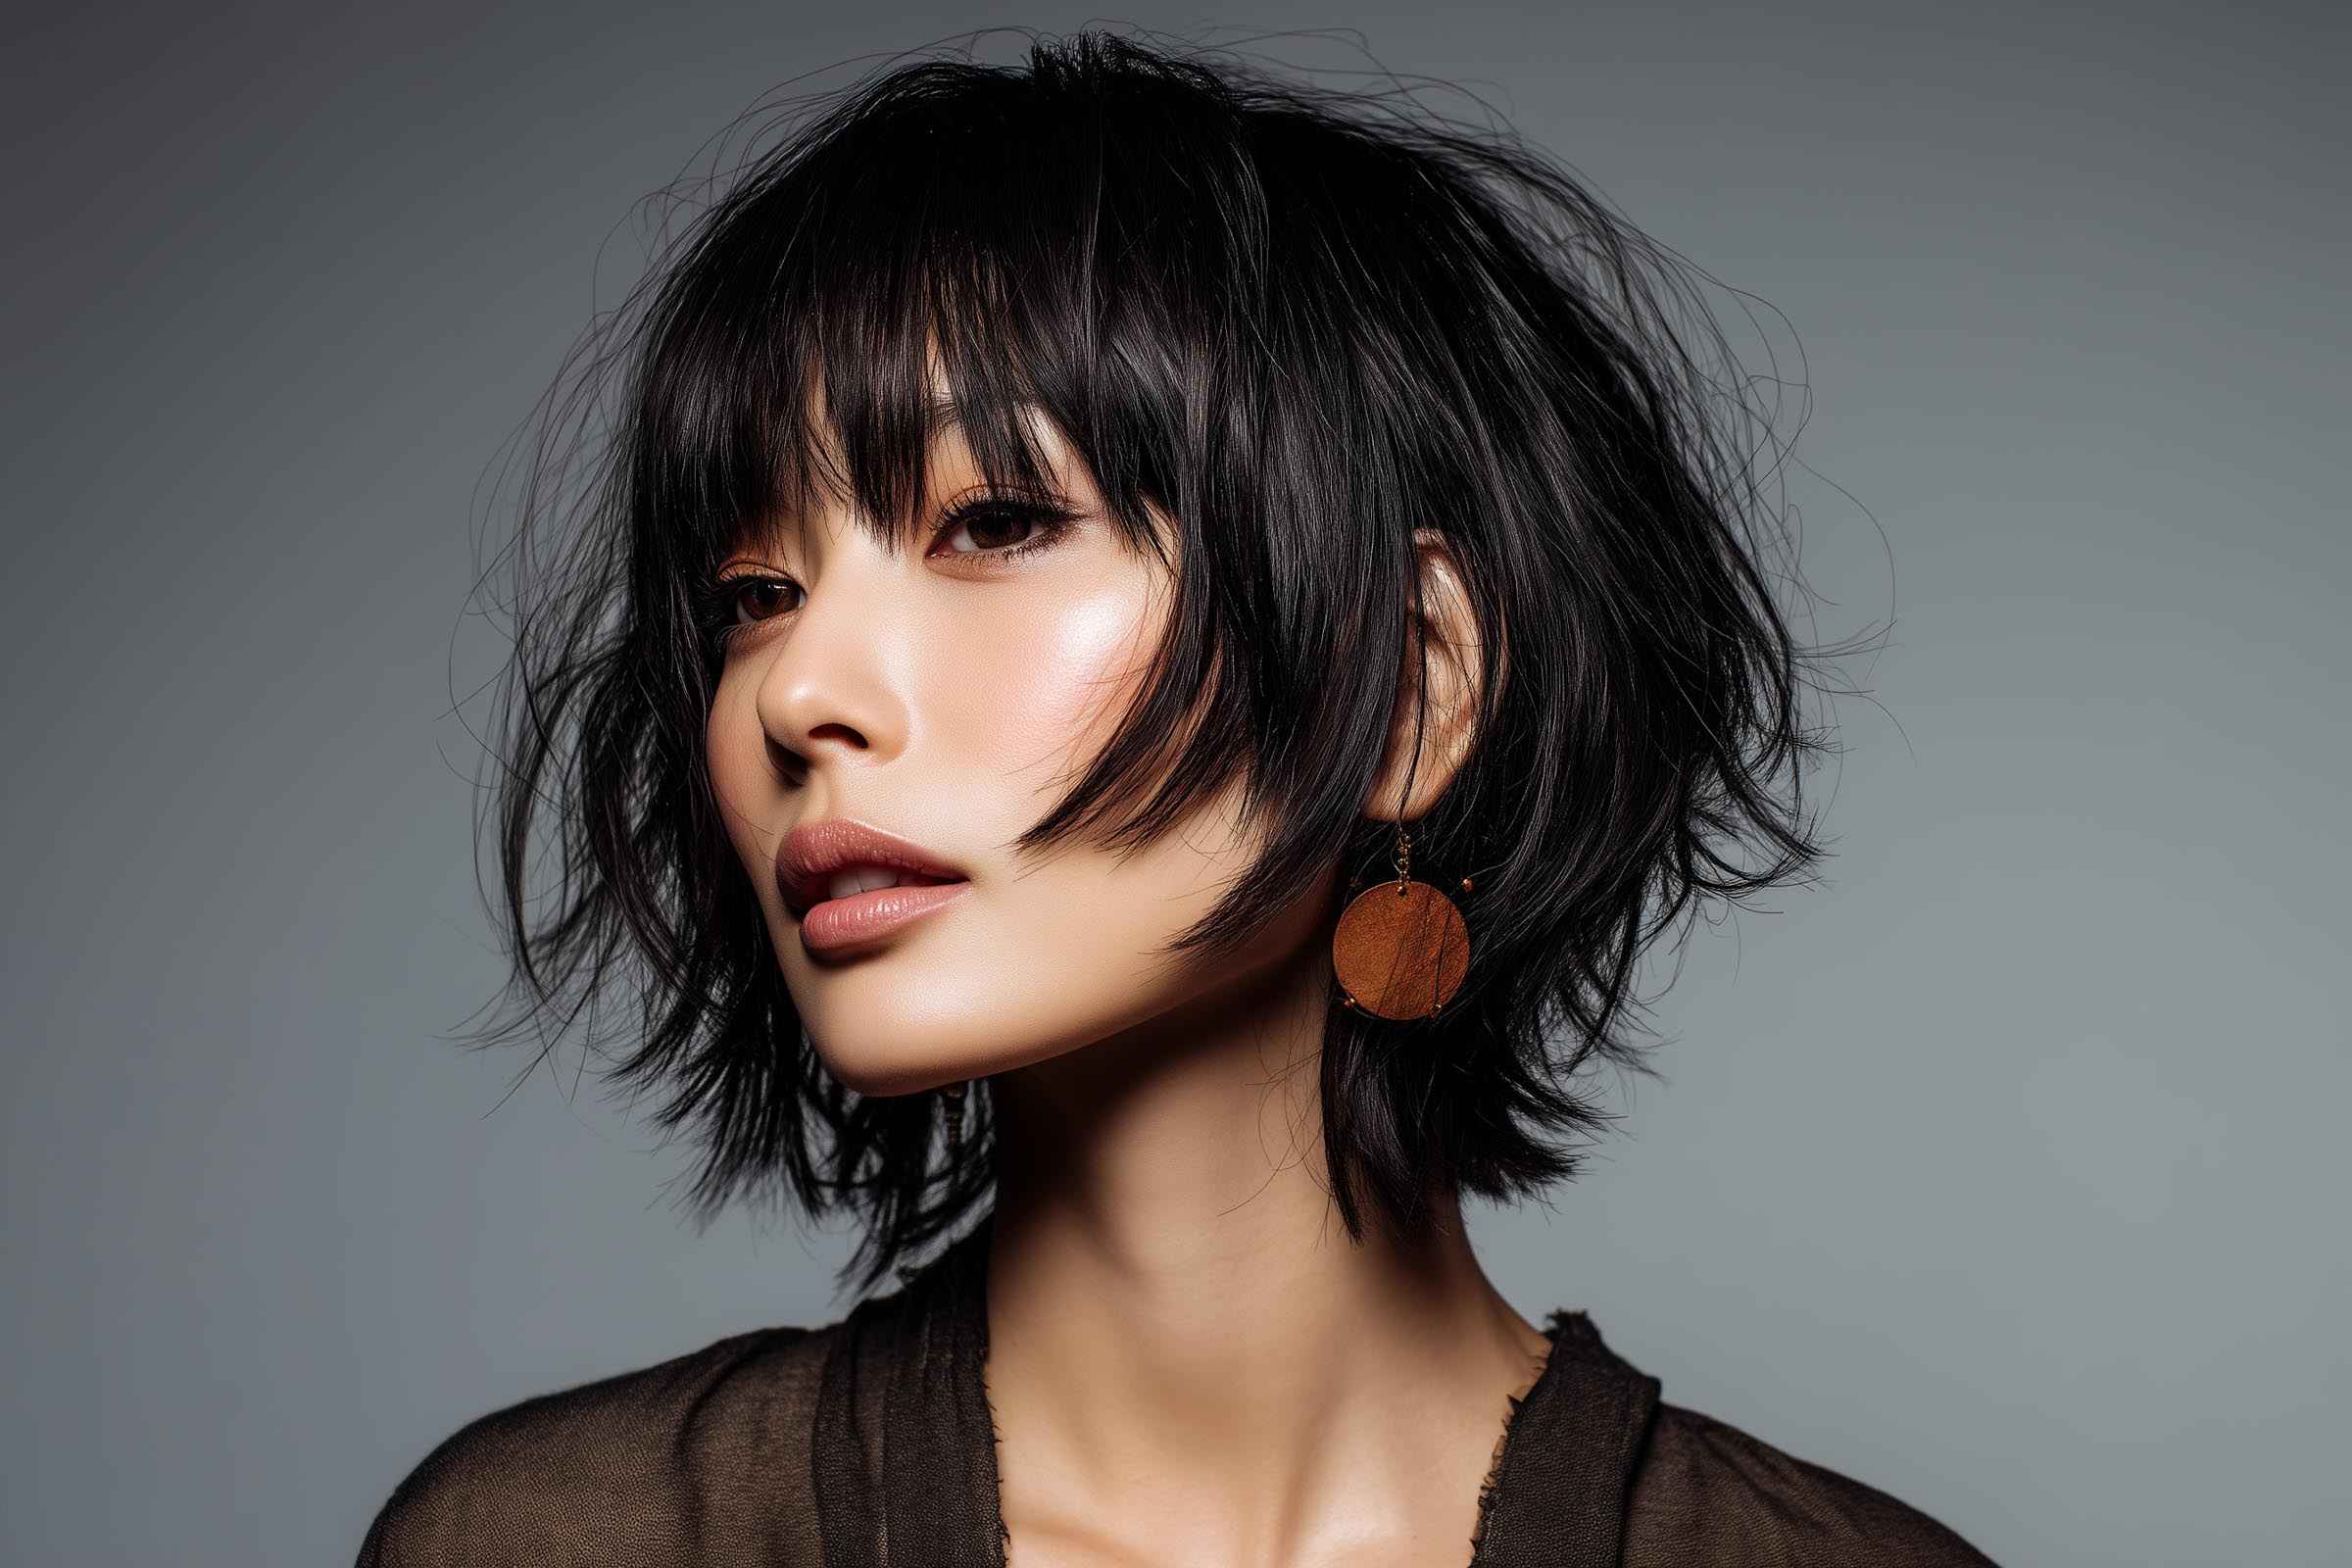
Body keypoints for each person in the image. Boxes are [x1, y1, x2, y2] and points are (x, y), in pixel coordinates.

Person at [359, 29, 1997, 1567]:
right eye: (749, 592)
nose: (797, 693)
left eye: (994, 521)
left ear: (1417, 686)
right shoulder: (565, 1537)